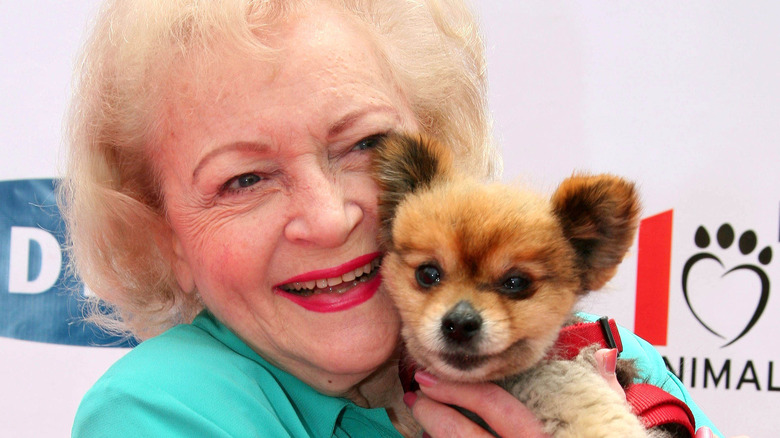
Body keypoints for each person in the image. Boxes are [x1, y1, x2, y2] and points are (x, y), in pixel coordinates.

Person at [61, 1, 729, 437]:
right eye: (244, 179)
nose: (327, 218)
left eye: (366, 147)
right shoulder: (161, 410)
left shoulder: (597, 352)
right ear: (165, 236)